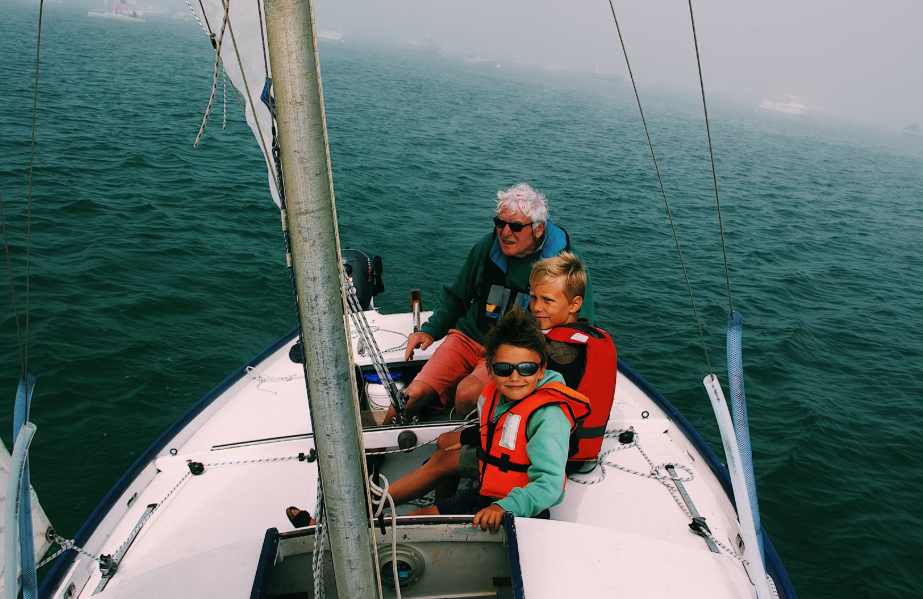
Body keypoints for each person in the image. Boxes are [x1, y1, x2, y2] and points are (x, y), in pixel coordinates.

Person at [384, 254, 615, 508]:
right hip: (560, 445)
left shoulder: (556, 355)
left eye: (547, 300)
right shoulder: (583, 338)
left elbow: (515, 419)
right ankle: (445, 504)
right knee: (445, 442)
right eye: (534, 297)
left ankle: (387, 505)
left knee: (442, 458)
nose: (536, 308)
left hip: (542, 453)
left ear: (575, 304)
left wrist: (468, 436)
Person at [389, 183, 595, 423]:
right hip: (470, 336)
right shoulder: (486, 248)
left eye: (516, 226)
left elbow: (580, 325)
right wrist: (430, 330)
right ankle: (374, 456)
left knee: (467, 394)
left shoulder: (565, 265)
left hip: (512, 352)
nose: (505, 232)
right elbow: (457, 296)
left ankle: (465, 440)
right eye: (500, 223)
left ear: (539, 230)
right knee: (407, 397)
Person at [404, 308, 591, 531]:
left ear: (541, 370)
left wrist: (504, 507)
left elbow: (550, 484)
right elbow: (496, 431)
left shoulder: (549, 415)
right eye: (503, 369)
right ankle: (375, 505)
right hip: (484, 493)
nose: (514, 377)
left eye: (527, 368)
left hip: (520, 511)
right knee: (415, 517)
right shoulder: (495, 396)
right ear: (491, 371)